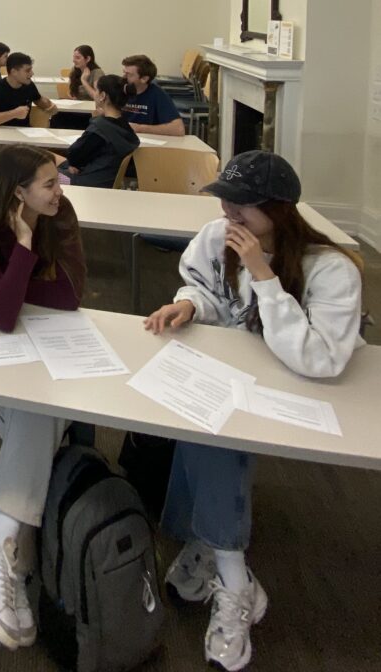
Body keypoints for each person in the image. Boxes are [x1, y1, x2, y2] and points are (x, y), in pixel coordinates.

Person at [143, 150, 363, 671]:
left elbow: (321, 359)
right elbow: (209, 291)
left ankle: (228, 571)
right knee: (198, 418)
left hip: (303, 396)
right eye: (226, 200)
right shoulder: (219, 236)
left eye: (243, 206)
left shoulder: (329, 269)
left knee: (217, 429)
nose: (228, 213)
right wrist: (190, 304)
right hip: (241, 380)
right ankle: (224, 558)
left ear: (279, 209)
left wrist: (264, 275)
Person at [0, 145, 86, 650]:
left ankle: (2, 532)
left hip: (43, 345)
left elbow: (71, 295)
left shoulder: (63, 213)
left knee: (39, 403)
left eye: (58, 181)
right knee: (42, 404)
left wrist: (10, 286)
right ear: (18, 193)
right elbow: (4, 319)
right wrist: (26, 248)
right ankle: (5, 535)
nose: (61, 190)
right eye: (50, 184)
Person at [57, 75, 139, 187]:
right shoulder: (124, 125)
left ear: (102, 96)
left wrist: (97, 120)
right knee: (46, 158)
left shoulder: (99, 128)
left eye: (96, 90)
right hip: (105, 178)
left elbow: (74, 155)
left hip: (84, 182)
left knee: (35, 171)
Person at [0, 52, 54, 127]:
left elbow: (38, 99)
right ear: (14, 72)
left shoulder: (29, 85)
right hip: (1, 133)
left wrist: (48, 105)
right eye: (27, 70)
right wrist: (14, 114)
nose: (32, 73)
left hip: (25, 134)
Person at [121, 54, 184, 136]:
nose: (124, 77)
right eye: (124, 73)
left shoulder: (157, 94)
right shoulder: (120, 88)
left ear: (144, 79)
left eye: (129, 75)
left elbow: (178, 129)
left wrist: (139, 128)